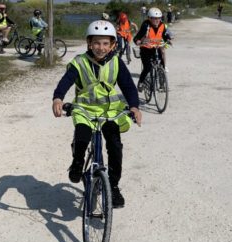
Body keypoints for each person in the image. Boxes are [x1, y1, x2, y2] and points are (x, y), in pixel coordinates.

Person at [52, 20, 142, 208]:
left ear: (112, 45)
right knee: (82, 134)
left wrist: (134, 106)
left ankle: (114, 186)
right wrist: (58, 98)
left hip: (110, 112)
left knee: (115, 145)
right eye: (96, 43)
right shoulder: (80, 62)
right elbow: (65, 81)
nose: (101, 48)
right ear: (89, 43)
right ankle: (77, 162)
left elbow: (128, 86)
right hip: (85, 111)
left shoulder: (116, 62)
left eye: (105, 43)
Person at [133, 7, 172, 91]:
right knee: (147, 67)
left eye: (158, 18)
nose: (157, 20)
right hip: (145, 49)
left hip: (156, 48)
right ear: (149, 18)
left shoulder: (162, 25)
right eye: (154, 18)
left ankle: (162, 84)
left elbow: (165, 35)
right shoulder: (145, 26)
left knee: (162, 65)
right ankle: (141, 82)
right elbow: (136, 38)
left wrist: (168, 39)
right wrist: (138, 42)